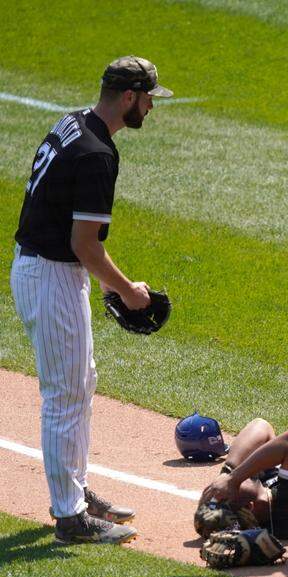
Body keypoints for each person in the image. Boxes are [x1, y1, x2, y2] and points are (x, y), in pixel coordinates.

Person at [10, 56, 172, 545]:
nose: (150, 107)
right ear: (129, 98)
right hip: (52, 274)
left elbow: (71, 229)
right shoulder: (98, 154)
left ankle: (75, 492)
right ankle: (70, 518)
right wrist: (128, 291)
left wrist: (105, 281)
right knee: (64, 394)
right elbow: (84, 244)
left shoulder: (73, 122)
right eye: (148, 99)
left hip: (47, 266)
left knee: (81, 381)